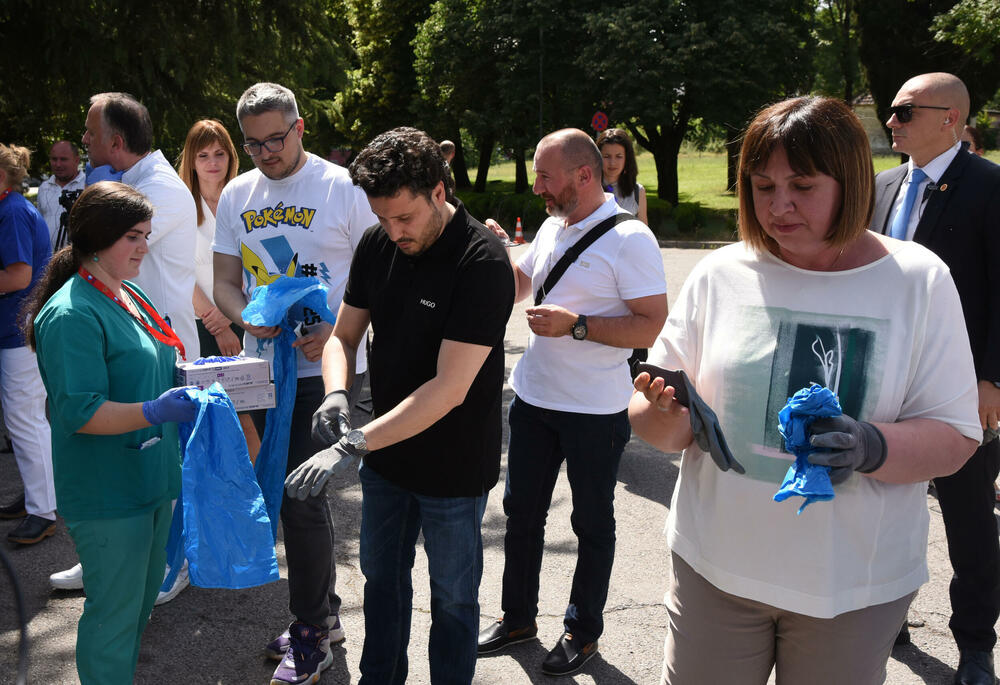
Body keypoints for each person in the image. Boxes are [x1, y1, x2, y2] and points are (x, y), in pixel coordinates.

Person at [628, 96, 981, 685]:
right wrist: (664, 414)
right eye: (762, 186)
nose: (778, 206)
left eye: (802, 185)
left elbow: (956, 436)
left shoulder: (918, 280)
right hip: (717, 569)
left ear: (850, 181)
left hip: (851, 588)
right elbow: (657, 414)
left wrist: (873, 446)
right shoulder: (721, 274)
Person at [296, 126, 514, 685]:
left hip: (454, 467)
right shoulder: (377, 243)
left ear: (439, 192)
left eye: (405, 218)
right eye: (382, 218)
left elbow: (448, 388)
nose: (394, 232)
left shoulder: (481, 260)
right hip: (388, 463)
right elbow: (342, 338)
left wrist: (353, 442)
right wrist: (338, 390)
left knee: (454, 602)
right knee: (383, 587)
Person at [477, 128, 667, 676]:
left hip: (596, 412)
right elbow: (520, 284)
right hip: (534, 399)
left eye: (545, 176)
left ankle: (582, 631)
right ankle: (517, 618)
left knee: (591, 524)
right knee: (521, 516)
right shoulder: (550, 225)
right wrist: (496, 254)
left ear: (584, 176)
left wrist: (577, 326)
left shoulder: (630, 239)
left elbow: (649, 324)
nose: (536, 187)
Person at [212, 81, 378, 685]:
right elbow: (227, 277)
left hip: (327, 366)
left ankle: (311, 633)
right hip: (264, 368)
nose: (265, 153)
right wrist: (244, 314)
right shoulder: (237, 193)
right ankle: (323, 617)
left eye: (276, 140)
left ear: (301, 128)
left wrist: (338, 328)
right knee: (288, 500)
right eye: (253, 144)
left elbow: (383, 268)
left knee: (299, 499)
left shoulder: (342, 188)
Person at [22, 181, 197, 685]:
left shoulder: (130, 292)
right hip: (108, 491)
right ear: (98, 238)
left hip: (150, 478)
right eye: (134, 237)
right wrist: (153, 409)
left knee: (138, 609)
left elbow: (159, 360)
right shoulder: (72, 312)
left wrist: (203, 378)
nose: (145, 246)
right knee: (113, 619)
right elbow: (81, 411)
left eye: (146, 234)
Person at [870, 72, 1000, 685]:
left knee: (969, 518)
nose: (890, 121)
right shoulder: (882, 185)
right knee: (883, 499)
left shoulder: (989, 186)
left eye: (903, 111)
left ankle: (975, 646)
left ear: (949, 117)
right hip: (884, 378)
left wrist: (992, 380)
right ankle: (886, 618)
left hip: (958, 384)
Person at [50, 91, 200, 599]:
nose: (84, 139)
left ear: (115, 140)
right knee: (115, 452)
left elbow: (101, 246)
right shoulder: (131, 184)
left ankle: (171, 559)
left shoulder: (159, 189)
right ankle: (102, 554)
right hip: (116, 332)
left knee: (160, 456)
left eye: (90, 133)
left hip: (152, 342)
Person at [0, 143, 56, 545]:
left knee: (26, 421)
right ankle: (39, 497)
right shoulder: (12, 208)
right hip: (18, 331)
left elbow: (18, 277)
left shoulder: (12, 212)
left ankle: (43, 510)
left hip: (18, 332)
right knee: (27, 422)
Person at [176, 119, 242, 357]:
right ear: (191, 161)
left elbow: (256, 263)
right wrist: (217, 326)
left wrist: (228, 314)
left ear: (230, 156)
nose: (212, 162)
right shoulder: (179, 206)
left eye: (219, 153)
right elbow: (179, 271)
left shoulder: (246, 200)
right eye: (203, 155)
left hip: (245, 317)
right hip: (198, 325)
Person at [36, 140, 85, 250]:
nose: (58, 164)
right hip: (48, 260)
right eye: (54, 159)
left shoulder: (87, 185)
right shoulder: (44, 187)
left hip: (78, 258)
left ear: (76, 160)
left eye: (63, 159)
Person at [596, 128, 648, 225]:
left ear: (627, 158)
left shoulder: (638, 191)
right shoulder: (587, 189)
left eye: (619, 156)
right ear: (598, 157)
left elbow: (644, 234)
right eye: (607, 156)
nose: (612, 163)